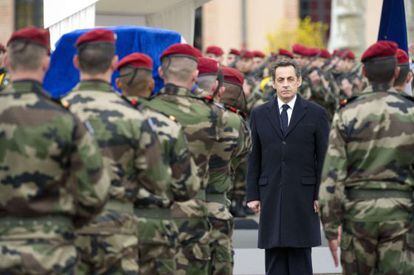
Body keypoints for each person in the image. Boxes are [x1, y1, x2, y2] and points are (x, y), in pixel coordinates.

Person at [0, 27, 109, 274]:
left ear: (6, 61)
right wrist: (61, 223)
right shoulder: (66, 119)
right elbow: (95, 193)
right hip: (51, 253)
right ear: (46, 63)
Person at [64, 29, 170, 274]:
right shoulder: (134, 116)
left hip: (71, 228)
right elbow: (158, 180)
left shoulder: (57, 113)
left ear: (76, 62)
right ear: (114, 63)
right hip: (118, 230)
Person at [319, 41, 414, 275]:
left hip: (358, 216)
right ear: (396, 72)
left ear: (363, 72)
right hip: (401, 214)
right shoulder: (411, 111)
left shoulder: (348, 112)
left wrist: (331, 229)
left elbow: (332, 177)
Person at [115, 52, 200, 274]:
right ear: (152, 83)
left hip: (112, 225)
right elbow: (187, 187)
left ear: (118, 84)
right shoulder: (167, 126)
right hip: (155, 225)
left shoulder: (102, 124)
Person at [246, 59, 330, 275]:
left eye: (290, 79)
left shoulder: (316, 113)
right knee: (274, 257)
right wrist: (252, 194)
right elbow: (254, 156)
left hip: (303, 195)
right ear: (273, 83)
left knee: (300, 256)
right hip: (271, 192)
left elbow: (323, 158)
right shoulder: (259, 114)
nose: (285, 84)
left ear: (299, 81)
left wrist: (321, 194)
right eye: (280, 80)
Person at [145, 43, 223, 275]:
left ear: (160, 73)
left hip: (153, 213)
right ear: (196, 75)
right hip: (193, 212)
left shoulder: (144, 110)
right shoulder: (212, 114)